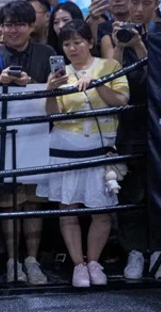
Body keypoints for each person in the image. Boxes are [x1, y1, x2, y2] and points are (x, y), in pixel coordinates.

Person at [41, 20, 129, 288]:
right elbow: (52, 114)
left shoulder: (109, 66)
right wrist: (51, 90)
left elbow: (122, 102)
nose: (72, 48)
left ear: (90, 42)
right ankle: (78, 265)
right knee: (68, 208)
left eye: (78, 42)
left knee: (101, 209)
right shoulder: (59, 73)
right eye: (67, 43)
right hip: (65, 144)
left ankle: (94, 261)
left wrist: (98, 83)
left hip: (101, 145)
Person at [0, 0, 56, 285]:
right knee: (9, 201)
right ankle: (12, 260)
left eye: (19, 24)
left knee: (34, 201)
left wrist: (32, 83)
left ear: (31, 26)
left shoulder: (47, 53)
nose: (13, 30)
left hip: (39, 133)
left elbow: (56, 87)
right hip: (3, 137)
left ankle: (32, 259)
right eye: (8, 24)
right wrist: (2, 84)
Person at [102, 0, 161, 280]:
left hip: (160, 126)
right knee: (129, 193)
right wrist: (119, 44)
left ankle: (158, 250)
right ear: (126, 3)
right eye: (134, 2)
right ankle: (133, 251)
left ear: (156, 6)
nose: (139, 9)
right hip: (126, 126)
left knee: (158, 191)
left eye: (146, 3)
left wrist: (140, 44)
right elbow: (109, 79)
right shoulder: (113, 34)